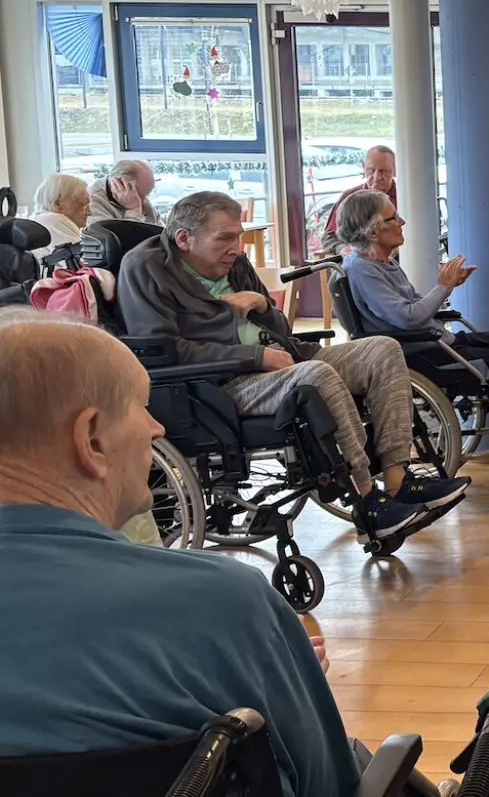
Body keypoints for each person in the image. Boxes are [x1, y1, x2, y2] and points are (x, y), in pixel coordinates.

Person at [0, 309, 362, 797]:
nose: (157, 429)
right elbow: (329, 787)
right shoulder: (225, 603)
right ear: (91, 439)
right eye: (141, 406)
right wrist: (275, 675)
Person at [117, 191, 468, 538]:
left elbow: (281, 328)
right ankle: (368, 503)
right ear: (183, 238)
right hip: (219, 385)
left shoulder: (235, 263)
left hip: (281, 357)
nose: (236, 248)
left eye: (238, 237)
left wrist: (263, 305)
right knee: (315, 375)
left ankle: (397, 481)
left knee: (381, 350)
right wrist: (255, 356)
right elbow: (164, 351)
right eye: (224, 238)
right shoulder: (146, 269)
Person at [338, 189, 489, 412]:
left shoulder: (385, 263)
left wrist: (450, 284)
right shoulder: (362, 270)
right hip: (425, 354)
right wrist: (444, 286)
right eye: (393, 218)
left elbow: (418, 306)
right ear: (371, 232)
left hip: (441, 342)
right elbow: (409, 319)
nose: (402, 221)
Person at [320, 146, 397, 253]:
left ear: (395, 171)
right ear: (363, 167)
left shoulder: (406, 199)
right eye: (371, 170)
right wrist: (342, 249)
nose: (376, 177)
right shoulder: (349, 197)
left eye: (383, 171)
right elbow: (329, 238)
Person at [29, 173, 90, 261]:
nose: (89, 213)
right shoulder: (54, 220)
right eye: (83, 206)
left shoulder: (40, 221)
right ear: (57, 204)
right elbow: (84, 265)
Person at [86, 159, 160, 227]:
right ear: (120, 185)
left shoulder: (140, 192)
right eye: (140, 196)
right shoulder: (92, 203)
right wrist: (134, 211)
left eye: (147, 194)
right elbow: (124, 240)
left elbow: (160, 228)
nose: (144, 201)